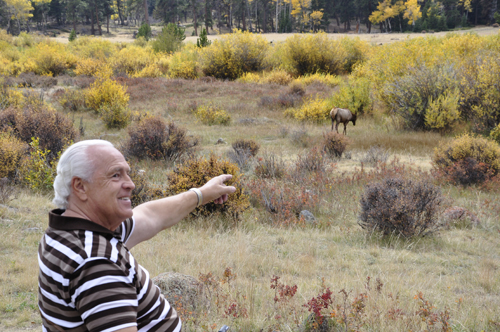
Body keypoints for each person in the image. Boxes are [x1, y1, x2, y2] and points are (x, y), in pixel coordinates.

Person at [38, 140, 236, 332]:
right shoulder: (96, 263)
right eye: (115, 175)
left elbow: (151, 216)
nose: (131, 184)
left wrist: (202, 194)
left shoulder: (72, 230)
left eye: (128, 173)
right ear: (80, 187)